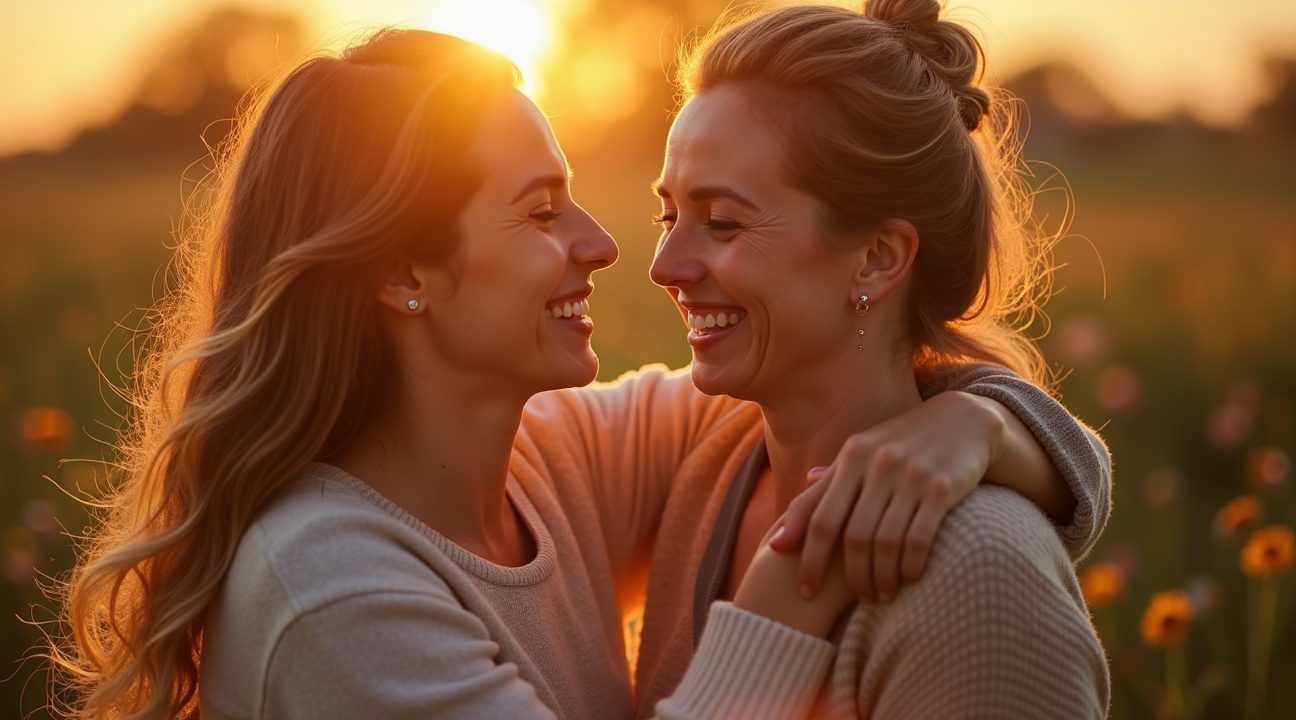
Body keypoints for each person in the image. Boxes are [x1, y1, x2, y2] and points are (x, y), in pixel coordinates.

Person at [51, 22, 1107, 720]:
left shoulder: (587, 455)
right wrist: (795, 584)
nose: (622, 252)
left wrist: (985, 430)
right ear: (404, 275)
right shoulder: (330, 591)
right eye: (542, 211)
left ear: (879, 257)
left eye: (720, 218)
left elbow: (928, 423)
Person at [628, 1, 1111, 717]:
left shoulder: (981, 576)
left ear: (877, 260)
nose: (664, 266)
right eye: (670, 216)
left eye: (722, 221)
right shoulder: (704, 460)